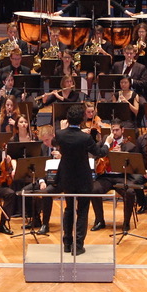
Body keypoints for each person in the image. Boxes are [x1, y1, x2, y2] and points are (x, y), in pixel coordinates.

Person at [55, 104, 102, 255]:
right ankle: (78, 245)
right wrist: (107, 142)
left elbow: (59, 142)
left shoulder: (60, 134)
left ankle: (67, 242)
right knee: (82, 211)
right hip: (83, 178)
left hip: (67, 177)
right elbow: (99, 152)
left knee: (69, 209)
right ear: (82, 119)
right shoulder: (85, 137)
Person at [90, 119, 138, 233]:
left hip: (121, 177)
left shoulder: (129, 146)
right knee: (93, 189)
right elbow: (93, 152)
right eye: (112, 130)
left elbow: (133, 165)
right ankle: (99, 221)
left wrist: (121, 155)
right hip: (106, 176)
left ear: (122, 130)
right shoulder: (105, 141)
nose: (114, 132)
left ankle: (126, 223)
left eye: (117, 130)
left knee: (130, 193)